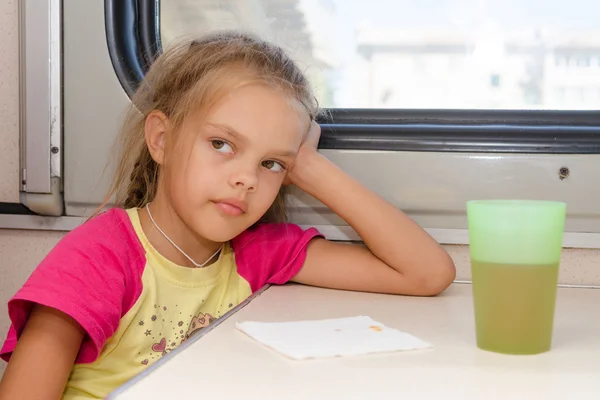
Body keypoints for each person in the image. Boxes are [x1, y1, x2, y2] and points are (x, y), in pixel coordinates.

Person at [0, 31, 455, 399]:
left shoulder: (256, 253)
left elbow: (426, 273)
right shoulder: (100, 258)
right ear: (161, 140)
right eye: (222, 144)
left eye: (271, 163)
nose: (247, 179)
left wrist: (312, 168)